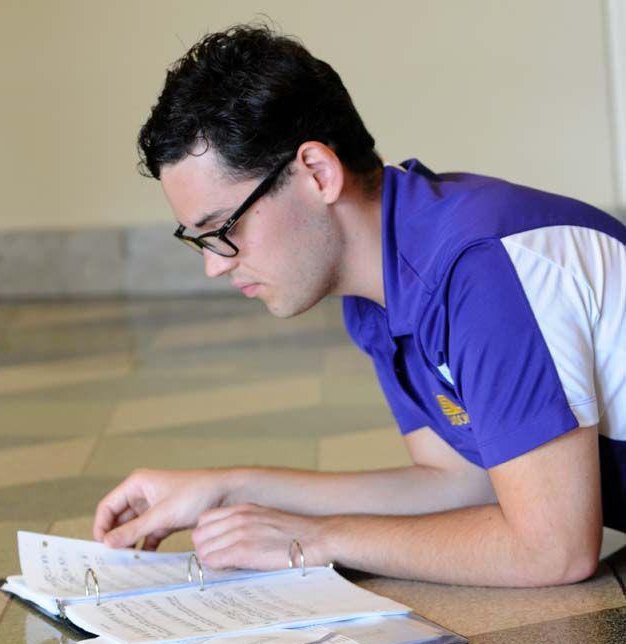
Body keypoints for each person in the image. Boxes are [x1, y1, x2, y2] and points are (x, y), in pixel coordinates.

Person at [93, 23, 626, 587]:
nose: (215, 263)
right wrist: (227, 489)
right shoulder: (378, 291)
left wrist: (314, 540)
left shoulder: (477, 266)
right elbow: (458, 479)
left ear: (318, 173)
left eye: (223, 228)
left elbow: (553, 550)